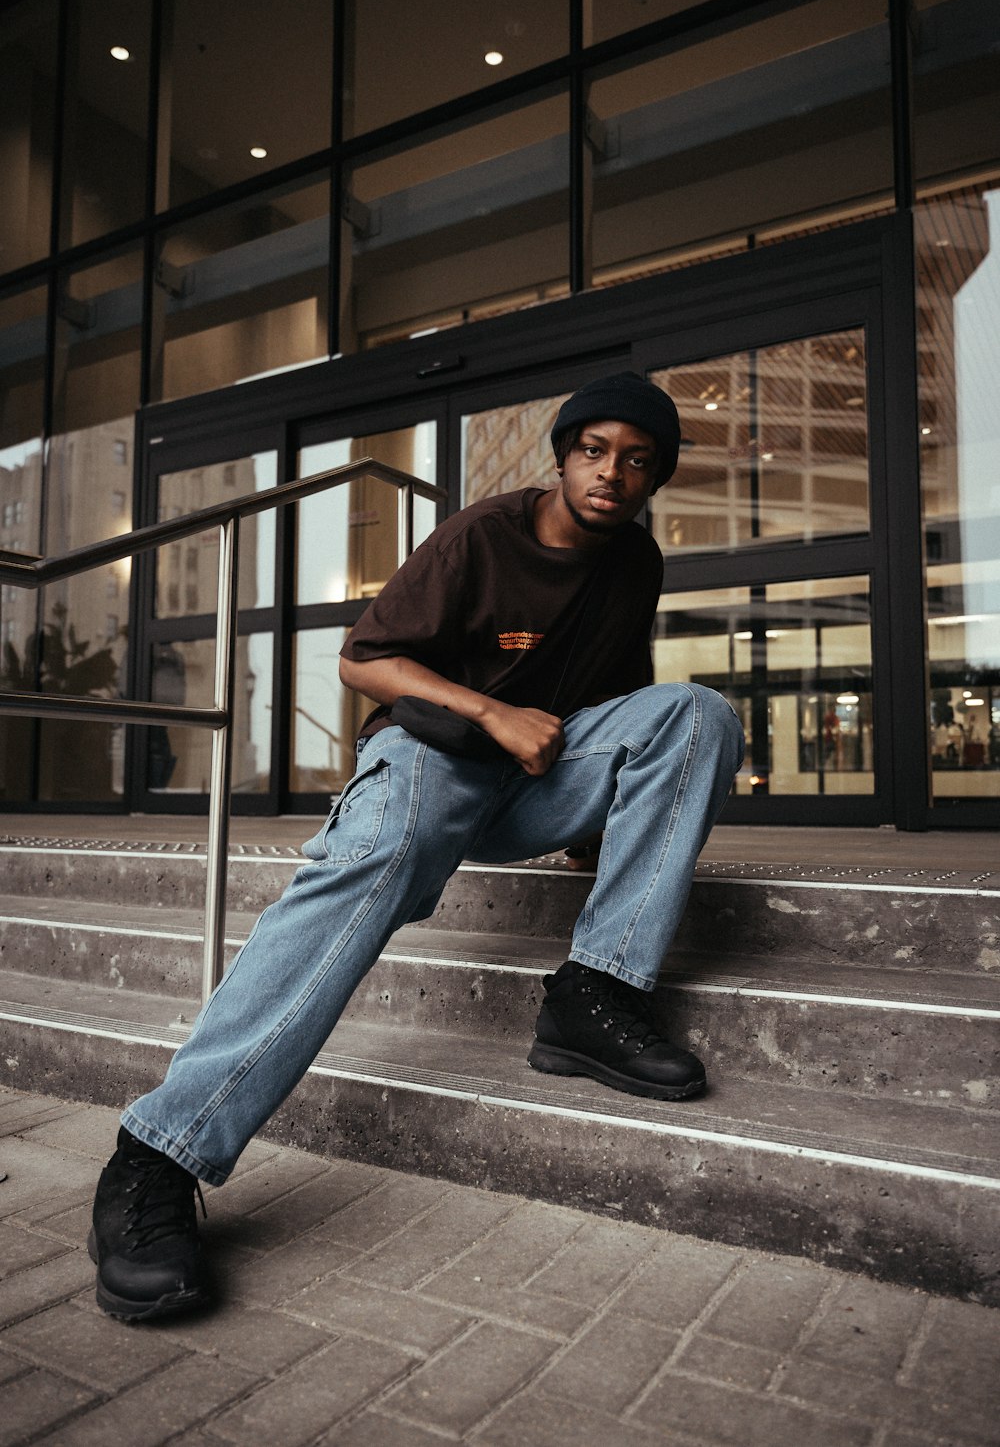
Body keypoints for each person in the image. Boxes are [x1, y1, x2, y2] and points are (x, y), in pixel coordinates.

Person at [88, 372, 745, 1321]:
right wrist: (493, 711)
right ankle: (157, 1156)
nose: (612, 473)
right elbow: (363, 660)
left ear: (654, 480)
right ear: (562, 455)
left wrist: (606, 818)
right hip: (431, 755)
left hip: (531, 778)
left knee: (696, 714)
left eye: (637, 461)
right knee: (375, 861)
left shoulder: (634, 564)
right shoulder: (484, 533)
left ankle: (594, 992)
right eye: (595, 450)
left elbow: (623, 695)